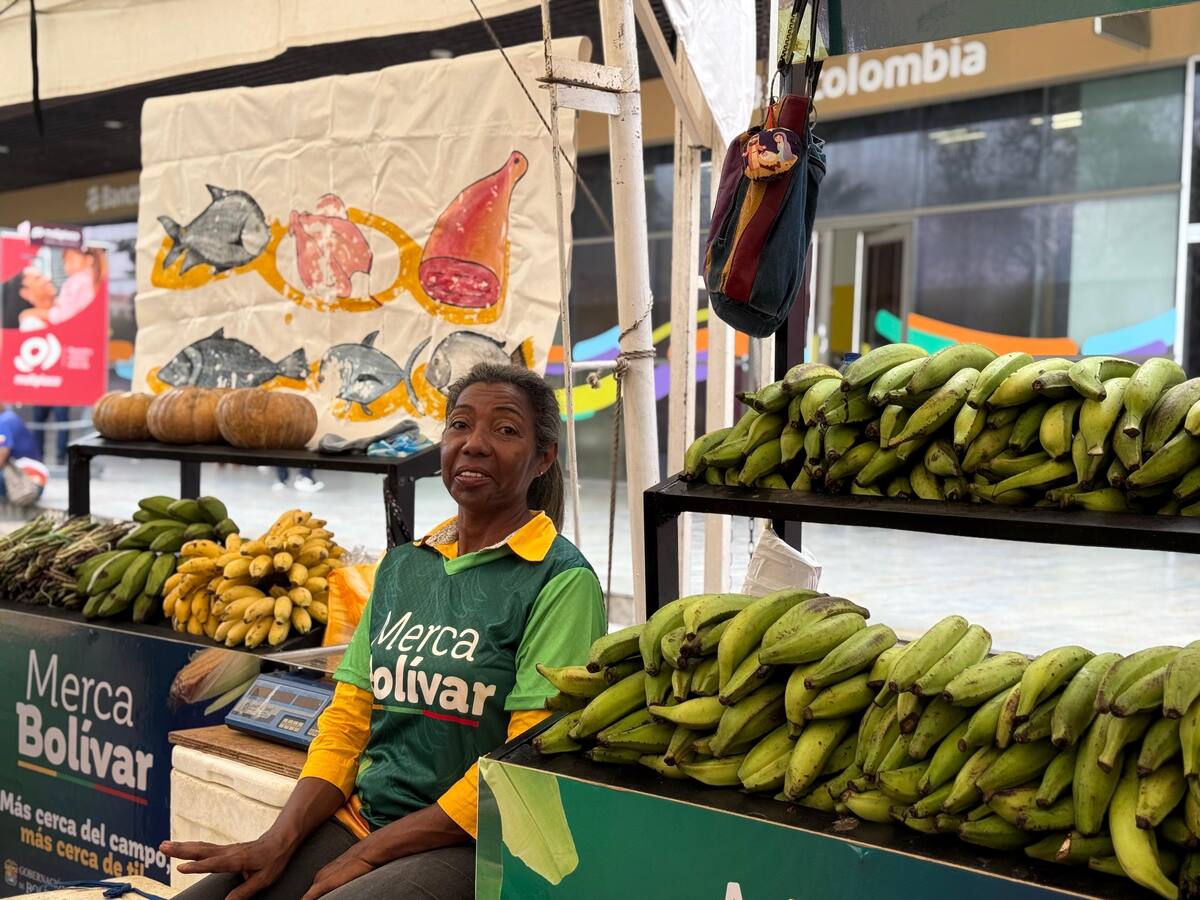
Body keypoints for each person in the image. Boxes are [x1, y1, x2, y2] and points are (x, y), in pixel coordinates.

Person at [165, 364, 605, 900]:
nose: (474, 445)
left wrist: (371, 854)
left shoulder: (561, 579)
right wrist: (278, 838)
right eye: (459, 425)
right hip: (362, 819)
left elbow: (521, 764)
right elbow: (348, 722)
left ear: (544, 458)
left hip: (479, 841)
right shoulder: (404, 568)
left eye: (506, 430)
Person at [0, 407, 49, 503]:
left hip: (29, 483)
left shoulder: (2, 422)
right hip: (33, 478)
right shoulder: (9, 416)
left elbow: (2, 456)